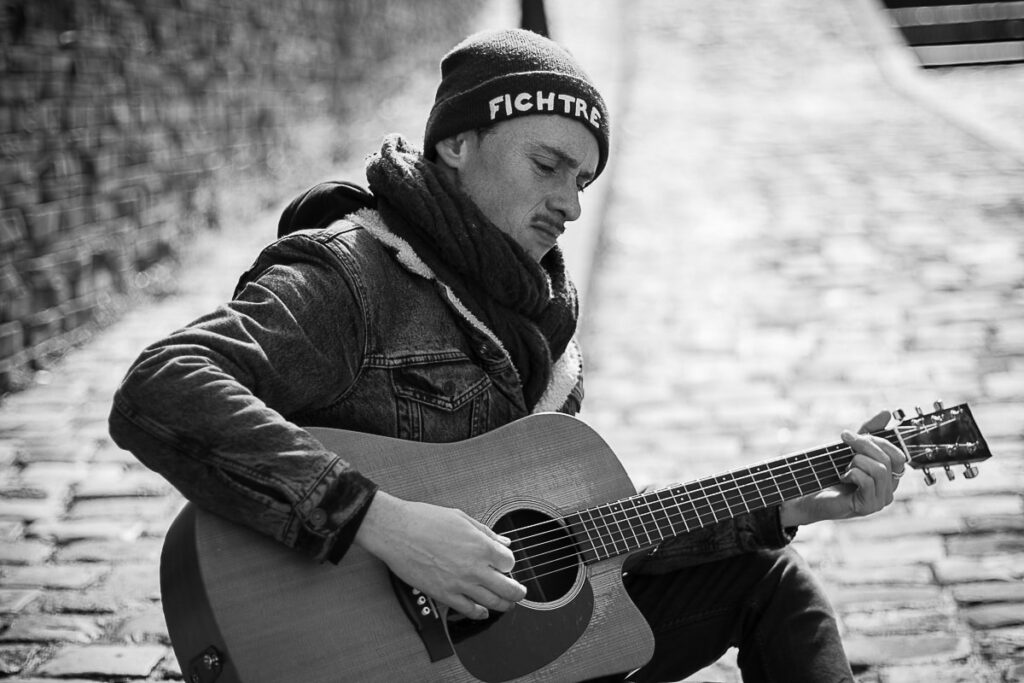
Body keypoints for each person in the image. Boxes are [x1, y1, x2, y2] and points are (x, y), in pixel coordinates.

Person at [109, 28, 906, 682]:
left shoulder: (546, 329)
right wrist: (383, 523)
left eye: (585, 179)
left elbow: (577, 543)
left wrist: (788, 504)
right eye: (548, 164)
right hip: (355, 657)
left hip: (501, 660)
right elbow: (164, 385)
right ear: (456, 143)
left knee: (772, 582)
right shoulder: (352, 273)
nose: (570, 202)